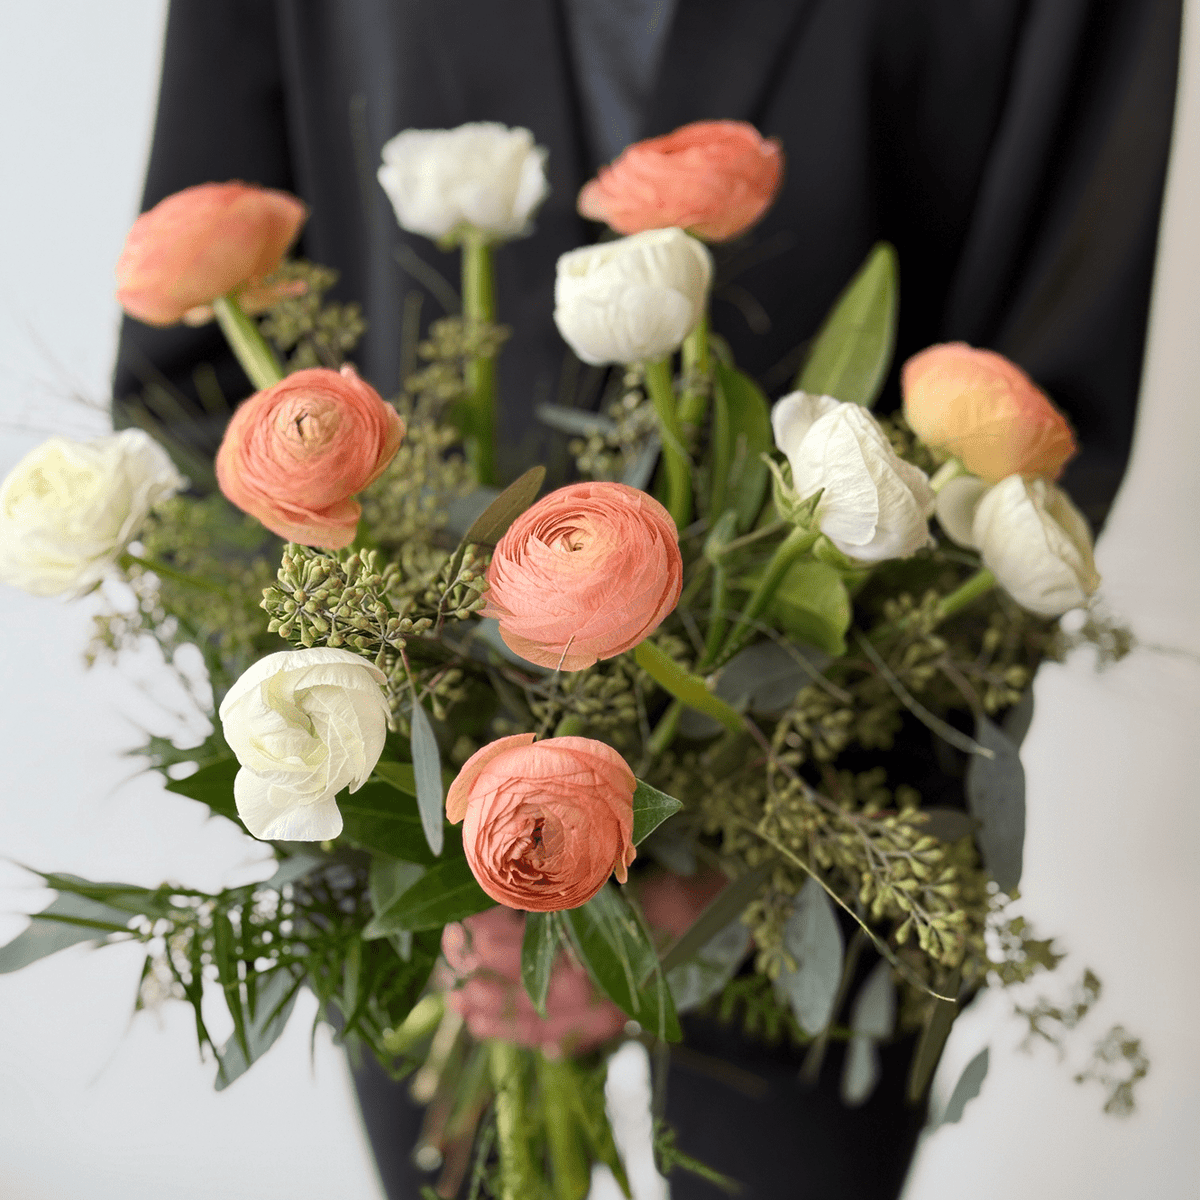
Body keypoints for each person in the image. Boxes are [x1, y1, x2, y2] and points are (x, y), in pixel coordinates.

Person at [113, 2, 1182, 1196]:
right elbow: (185, 391)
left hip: (824, 853)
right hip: (432, 890)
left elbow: (1049, 410)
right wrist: (380, 794)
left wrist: (775, 846)